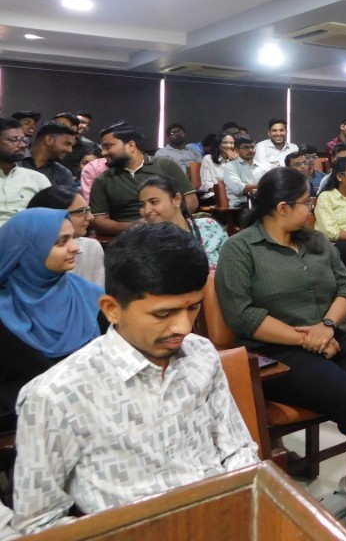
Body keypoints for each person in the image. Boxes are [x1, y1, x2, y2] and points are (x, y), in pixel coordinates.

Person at [14, 223, 258, 533]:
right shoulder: (56, 396)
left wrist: (239, 510)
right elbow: (39, 522)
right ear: (112, 309)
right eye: (163, 314)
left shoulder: (201, 353)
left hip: (222, 519)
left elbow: (237, 449)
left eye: (193, 308)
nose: (183, 327)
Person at [216, 168, 346, 444]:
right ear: (283, 208)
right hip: (274, 352)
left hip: (329, 334)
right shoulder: (240, 248)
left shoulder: (317, 240)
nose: (311, 209)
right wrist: (308, 338)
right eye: (306, 202)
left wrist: (327, 326)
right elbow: (242, 315)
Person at [0, 209, 103, 436]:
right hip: (26, 432)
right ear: (27, 250)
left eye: (72, 238)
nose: (75, 248)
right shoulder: (3, 313)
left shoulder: (91, 297)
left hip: (100, 422)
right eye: (61, 242)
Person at [90, 122, 197, 236]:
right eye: (103, 148)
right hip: (129, 237)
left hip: (172, 232)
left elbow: (191, 201)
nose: (103, 152)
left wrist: (165, 223)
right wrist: (133, 226)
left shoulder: (166, 166)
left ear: (131, 145)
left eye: (108, 146)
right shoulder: (103, 180)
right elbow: (99, 221)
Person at [139, 175, 228, 268]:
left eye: (154, 202)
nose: (146, 211)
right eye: (142, 205)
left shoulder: (209, 227)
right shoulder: (143, 242)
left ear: (177, 200)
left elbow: (231, 264)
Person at [26, 186, 104, 286]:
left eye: (88, 210)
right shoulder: (24, 256)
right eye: (81, 212)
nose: (90, 217)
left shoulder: (91, 247)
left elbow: (97, 293)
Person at [0, 117, 51, 227]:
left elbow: (50, 217)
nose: (23, 145)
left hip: (26, 234)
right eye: (14, 139)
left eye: (24, 140)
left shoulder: (37, 179)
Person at [19, 121, 76, 187]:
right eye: (67, 144)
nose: (70, 150)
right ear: (49, 139)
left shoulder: (64, 174)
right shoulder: (13, 161)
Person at [222, 134, 268, 207]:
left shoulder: (263, 168)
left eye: (252, 147)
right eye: (246, 147)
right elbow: (238, 189)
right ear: (236, 150)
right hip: (240, 206)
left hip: (261, 203)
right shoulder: (230, 166)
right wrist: (263, 186)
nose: (250, 150)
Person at [199, 131, 236, 199]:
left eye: (231, 143)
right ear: (218, 144)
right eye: (225, 142)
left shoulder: (236, 160)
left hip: (234, 195)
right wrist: (224, 191)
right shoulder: (208, 159)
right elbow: (207, 184)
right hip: (214, 195)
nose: (229, 146)